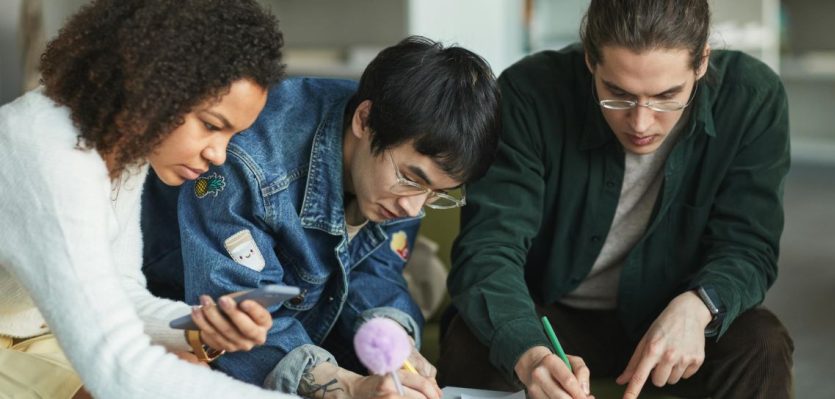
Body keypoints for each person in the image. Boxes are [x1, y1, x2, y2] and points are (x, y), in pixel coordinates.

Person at [437, 0, 794, 398]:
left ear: (702, 63)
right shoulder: (529, 93)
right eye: (617, 94)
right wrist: (529, 352)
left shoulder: (752, 99)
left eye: (666, 96)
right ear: (591, 59)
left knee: (762, 344)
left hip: (675, 311)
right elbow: (489, 249)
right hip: (553, 315)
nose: (641, 123)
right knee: (474, 340)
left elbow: (748, 247)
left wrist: (699, 306)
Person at [0, 0, 331, 397]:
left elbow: (121, 291)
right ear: (153, 86)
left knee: (188, 359)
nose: (219, 155)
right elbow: (122, 371)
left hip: (31, 337)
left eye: (230, 136)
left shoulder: (121, 147)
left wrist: (201, 326)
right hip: (23, 343)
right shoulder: (47, 153)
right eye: (210, 126)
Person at [140, 36, 500, 398]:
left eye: (436, 194)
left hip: (304, 325)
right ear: (364, 120)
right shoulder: (245, 161)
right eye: (411, 179)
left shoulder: (401, 168)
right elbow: (237, 318)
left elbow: (376, 269)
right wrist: (349, 386)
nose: (413, 207)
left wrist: (394, 344)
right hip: (183, 324)